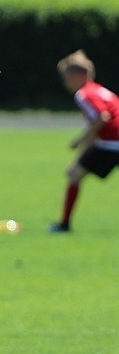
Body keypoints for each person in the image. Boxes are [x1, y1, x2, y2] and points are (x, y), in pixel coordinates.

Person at [50, 49, 119, 233]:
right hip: (112, 142)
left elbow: (102, 118)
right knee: (75, 173)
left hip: (112, 144)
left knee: (74, 175)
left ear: (79, 76)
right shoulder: (101, 90)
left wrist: (79, 141)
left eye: (67, 78)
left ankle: (64, 225)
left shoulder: (84, 95)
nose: (65, 83)